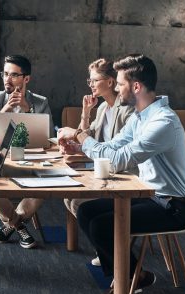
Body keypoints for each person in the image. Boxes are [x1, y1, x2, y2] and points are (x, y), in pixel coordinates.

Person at [58, 54, 185, 294]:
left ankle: (127, 279)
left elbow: (120, 159)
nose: (117, 88)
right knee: (87, 212)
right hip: (149, 195)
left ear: (136, 87)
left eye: (120, 84)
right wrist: (79, 148)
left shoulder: (162, 122)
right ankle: (134, 274)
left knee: (102, 225)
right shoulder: (139, 117)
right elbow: (112, 146)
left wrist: (79, 135)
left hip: (171, 205)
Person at [62, 58, 134, 266]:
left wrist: (79, 140)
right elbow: (86, 137)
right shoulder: (103, 108)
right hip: (103, 168)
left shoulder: (127, 110)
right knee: (68, 198)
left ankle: (109, 246)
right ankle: (106, 244)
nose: (91, 85)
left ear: (110, 82)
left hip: (123, 173)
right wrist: (86, 113)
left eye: (94, 80)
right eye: (89, 80)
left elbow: (116, 150)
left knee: (77, 201)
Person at [0, 55, 54, 249]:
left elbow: (48, 137)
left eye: (13, 75)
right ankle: (19, 226)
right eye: (5, 74)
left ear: (26, 79)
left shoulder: (40, 101)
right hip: (2, 161)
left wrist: (28, 110)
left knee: (47, 184)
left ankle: (10, 226)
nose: (7, 79)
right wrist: (6, 109)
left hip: (32, 160)